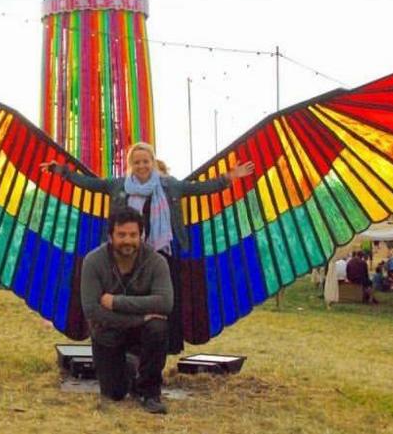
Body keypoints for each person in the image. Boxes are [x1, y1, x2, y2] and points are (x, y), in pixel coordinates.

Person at [43, 141, 254, 354]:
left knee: (160, 305)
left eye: (145, 161)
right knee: (125, 303)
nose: (142, 166)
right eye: (137, 162)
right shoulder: (118, 185)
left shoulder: (170, 185)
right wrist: (61, 171)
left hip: (160, 255)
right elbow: (88, 183)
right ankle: (124, 353)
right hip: (126, 256)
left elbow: (199, 189)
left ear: (152, 162)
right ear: (130, 165)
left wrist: (230, 177)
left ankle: (158, 354)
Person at [80, 207, 172, 414]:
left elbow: (165, 303)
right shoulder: (93, 262)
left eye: (133, 235)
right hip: (107, 334)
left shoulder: (157, 262)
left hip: (143, 333)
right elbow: (92, 311)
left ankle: (149, 392)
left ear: (141, 236)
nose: (127, 240)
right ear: (110, 236)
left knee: (158, 326)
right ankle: (130, 366)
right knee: (114, 393)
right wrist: (141, 318)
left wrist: (116, 302)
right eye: (121, 235)